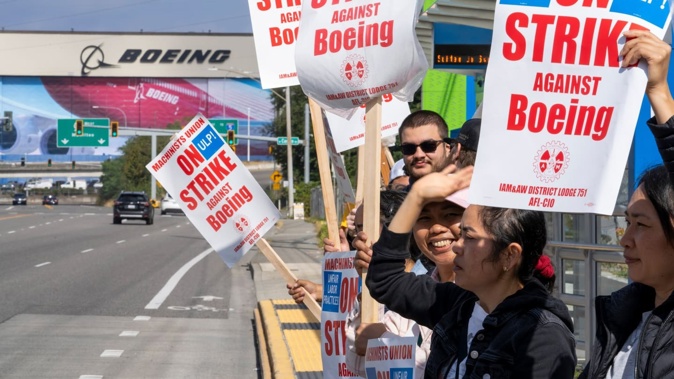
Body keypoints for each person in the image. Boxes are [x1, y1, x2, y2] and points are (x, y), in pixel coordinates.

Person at [365, 165, 577, 378]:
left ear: (509, 255)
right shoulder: (459, 305)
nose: (457, 245)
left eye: (470, 237)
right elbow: (385, 280)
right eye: (462, 233)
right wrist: (416, 196)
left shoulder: (542, 336)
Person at [578, 29, 674, 379]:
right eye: (627, 222)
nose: (624, 239)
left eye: (642, 224)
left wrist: (659, 92)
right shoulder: (623, 317)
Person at [346, 188, 468, 378]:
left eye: (451, 215)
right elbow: (359, 361)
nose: (436, 228)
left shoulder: (484, 297)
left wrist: (384, 341)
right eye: (424, 218)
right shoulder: (415, 289)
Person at [286, 190, 408, 304]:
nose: (356, 242)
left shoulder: (418, 289)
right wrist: (344, 265)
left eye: (365, 227)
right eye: (356, 229)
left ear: (395, 227)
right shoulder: (383, 280)